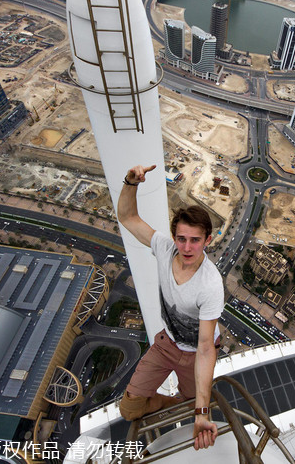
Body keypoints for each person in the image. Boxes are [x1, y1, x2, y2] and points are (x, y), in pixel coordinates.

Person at [116, 164, 224, 451]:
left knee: (197, 407)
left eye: (195, 240)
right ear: (174, 237)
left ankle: (189, 403)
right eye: (181, 238)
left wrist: (201, 412)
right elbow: (127, 217)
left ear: (208, 241)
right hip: (166, 344)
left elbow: (204, 348)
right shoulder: (165, 248)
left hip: (194, 355)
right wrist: (130, 182)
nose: (187, 248)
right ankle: (174, 402)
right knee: (129, 409)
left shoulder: (210, 285)